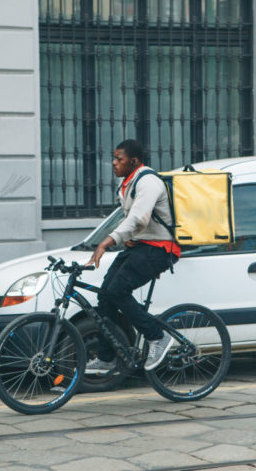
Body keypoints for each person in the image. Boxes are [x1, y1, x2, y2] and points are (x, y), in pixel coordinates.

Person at [85, 139, 181, 374]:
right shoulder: (128, 184)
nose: (114, 163)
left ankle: (157, 337)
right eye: (114, 158)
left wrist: (107, 242)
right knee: (106, 296)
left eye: (119, 159)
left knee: (118, 290)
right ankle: (107, 358)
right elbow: (130, 220)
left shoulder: (148, 181)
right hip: (141, 248)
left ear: (134, 161)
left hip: (161, 249)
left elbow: (139, 218)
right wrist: (127, 237)